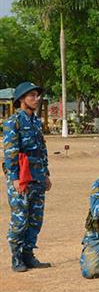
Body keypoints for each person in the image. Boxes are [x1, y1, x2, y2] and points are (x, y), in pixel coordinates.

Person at [3, 82, 52, 272]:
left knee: (35, 219)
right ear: (21, 99)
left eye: (37, 95)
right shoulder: (13, 122)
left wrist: (46, 173)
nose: (36, 99)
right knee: (20, 219)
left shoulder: (36, 122)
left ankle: (28, 254)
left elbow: (42, 150)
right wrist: (14, 178)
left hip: (37, 176)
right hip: (22, 176)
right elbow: (10, 153)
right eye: (32, 95)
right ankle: (16, 257)